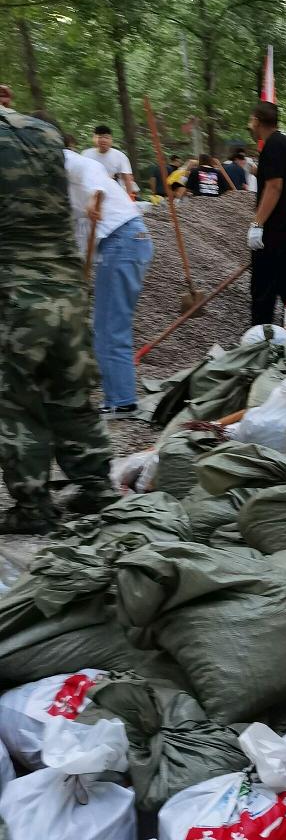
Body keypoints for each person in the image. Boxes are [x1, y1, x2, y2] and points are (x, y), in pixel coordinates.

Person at [0, 107, 115, 532]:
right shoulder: (43, 132)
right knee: (70, 392)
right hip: (66, 287)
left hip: (15, 294)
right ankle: (97, 487)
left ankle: (34, 507)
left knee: (15, 399)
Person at [63, 144, 154, 418]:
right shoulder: (50, 181)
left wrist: (95, 195)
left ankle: (123, 401)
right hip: (121, 242)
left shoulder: (64, 159)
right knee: (104, 326)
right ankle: (117, 398)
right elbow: (80, 230)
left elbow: (92, 170)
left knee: (111, 327)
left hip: (123, 240)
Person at [246, 101, 286, 325]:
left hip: (274, 232)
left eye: (251, 120)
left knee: (263, 291)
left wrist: (257, 224)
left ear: (257, 121)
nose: (249, 125)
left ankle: (261, 338)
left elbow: (274, 186)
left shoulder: (271, 146)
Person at [82, 125, 135, 196]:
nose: (103, 140)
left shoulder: (120, 156)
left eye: (106, 137)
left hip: (113, 192)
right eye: (100, 137)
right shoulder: (86, 154)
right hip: (91, 191)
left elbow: (127, 179)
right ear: (94, 139)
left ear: (111, 140)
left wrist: (129, 197)